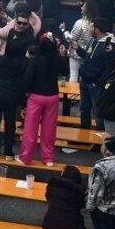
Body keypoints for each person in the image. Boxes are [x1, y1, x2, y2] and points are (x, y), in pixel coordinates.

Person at [0, 11, 36, 160]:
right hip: (14, 94)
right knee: (10, 122)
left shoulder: (3, 60)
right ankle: (8, 152)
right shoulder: (25, 62)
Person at [20, 35, 69, 166]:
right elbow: (65, 72)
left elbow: (27, 79)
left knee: (30, 128)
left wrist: (26, 92)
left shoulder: (34, 60)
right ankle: (48, 158)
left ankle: (26, 157)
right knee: (49, 129)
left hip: (36, 96)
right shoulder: (57, 59)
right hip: (52, 96)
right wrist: (63, 55)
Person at [81, 18, 115, 130]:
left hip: (96, 85)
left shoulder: (108, 46)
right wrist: (77, 49)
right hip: (84, 81)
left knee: (98, 112)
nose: (89, 28)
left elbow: (110, 68)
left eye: (91, 27)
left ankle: (98, 141)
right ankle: (84, 136)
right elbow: (87, 56)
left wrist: (97, 83)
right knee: (84, 109)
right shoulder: (93, 40)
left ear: (97, 30)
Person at [43, 165, 88, 229]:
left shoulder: (53, 185)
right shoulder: (81, 191)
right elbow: (84, 205)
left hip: (49, 226)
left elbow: (48, 198)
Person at [68, 0, 100, 82]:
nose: (81, 7)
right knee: (85, 76)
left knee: (74, 74)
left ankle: (72, 93)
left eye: (83, 6)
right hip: (90, 53)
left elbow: (72, 38)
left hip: (76, 52)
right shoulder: (97, 23)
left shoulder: (80, 23)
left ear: (87, 10)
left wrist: (65, 32)